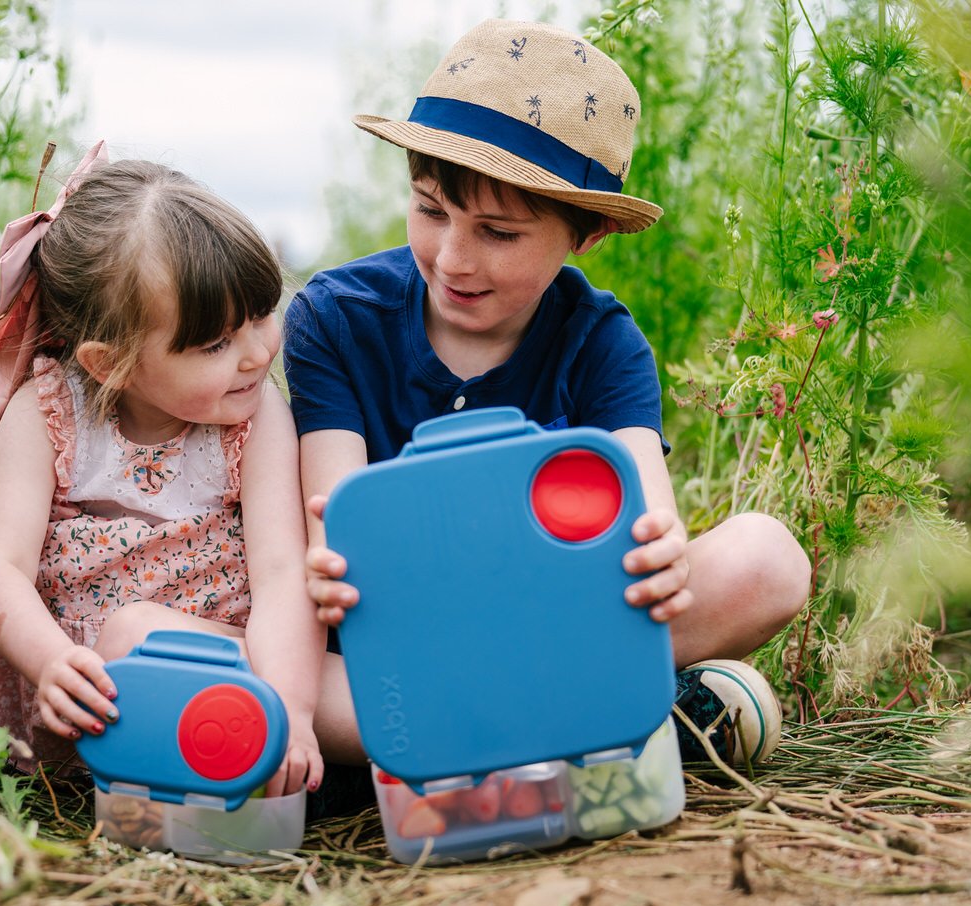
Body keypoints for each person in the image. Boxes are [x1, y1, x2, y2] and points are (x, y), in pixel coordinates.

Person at [284, 19, 812, 770]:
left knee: (770, 560)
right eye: (431, 210)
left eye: (499, 232)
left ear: (586, 234)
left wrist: (658, 548)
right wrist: (336, 565)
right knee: (272, 672)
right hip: (400, 645)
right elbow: (340, 528)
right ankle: (591, 716)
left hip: (553, 621)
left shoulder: (602, 343)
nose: (452, 258)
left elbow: (645, 516)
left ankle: (482, 736)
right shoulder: (334, 318)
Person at [0, 145, 325, 797]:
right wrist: (52, 661)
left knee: (274, 696)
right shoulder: (53, 412)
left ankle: (300, 738)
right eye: (216, 344)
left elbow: (282, 571)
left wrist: (294, 707)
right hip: (99, 678)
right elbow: (1, 565)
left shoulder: (257, 423)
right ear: (107, 362)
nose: (259, 353)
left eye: (261, 314)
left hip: (221, 650)